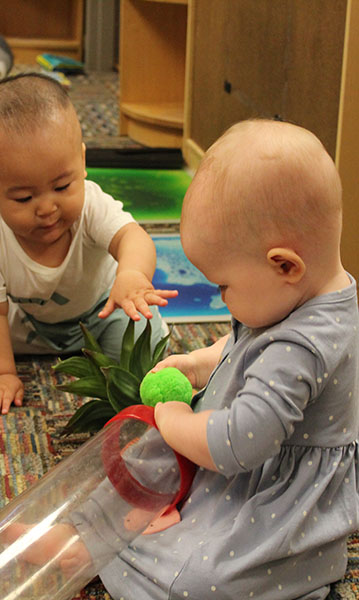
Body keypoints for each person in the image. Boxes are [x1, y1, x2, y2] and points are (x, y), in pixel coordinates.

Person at [69, 119, 358, 598]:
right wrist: (201, 363)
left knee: (197, 581)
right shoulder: (298, 293)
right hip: (239, 465)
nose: (222, 300)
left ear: (284, 265)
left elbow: (237, 444)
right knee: (138, 464)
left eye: (224, 286)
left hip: (274, 499)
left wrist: (173, 417)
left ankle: (116, 547)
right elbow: (247, 348)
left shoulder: (304, 343)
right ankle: (88, 536)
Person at [0, 73, 177, 416]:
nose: (47, 208)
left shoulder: (92, 206)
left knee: (143, 354)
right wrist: (0, 374)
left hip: (105, 309)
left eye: (62, 187)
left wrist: (133, 274)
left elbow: (131, 236)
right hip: (34, 322)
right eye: (23, 197)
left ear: (82, 162)